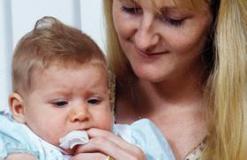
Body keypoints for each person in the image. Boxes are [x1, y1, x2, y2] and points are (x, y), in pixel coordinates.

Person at [72, 0, 247, 160]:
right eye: (131, 10)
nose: (144, 41)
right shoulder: (64, 98)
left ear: (217, 18)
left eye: (173, 19)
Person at [0, 16, 175, 160]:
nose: (81, 114)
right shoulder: (21, 144)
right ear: (19, 108)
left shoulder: (136, 140)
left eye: (94, 100)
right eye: (60, 103)